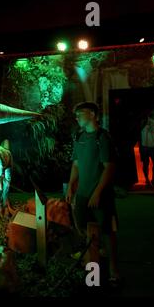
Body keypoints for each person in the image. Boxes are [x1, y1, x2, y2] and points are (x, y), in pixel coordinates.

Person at [65, 102, 120, 286]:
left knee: (107, 232)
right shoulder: (79, 136)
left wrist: (97, 192)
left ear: (93, 115)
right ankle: (92, 273)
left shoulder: (102, 137)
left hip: (101, 196)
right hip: (82, 194)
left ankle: (113, 271)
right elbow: (76, 164)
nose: (77, 117)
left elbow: (109, 167)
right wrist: (72, 185)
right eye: (76, 114)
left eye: (80, 113)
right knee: (85, 229)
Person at [140, 109, 154, 187]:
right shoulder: (145, 120)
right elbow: (139, 128)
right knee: (146, 164)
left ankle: (153, 179)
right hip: (145, 146)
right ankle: (147, 179)